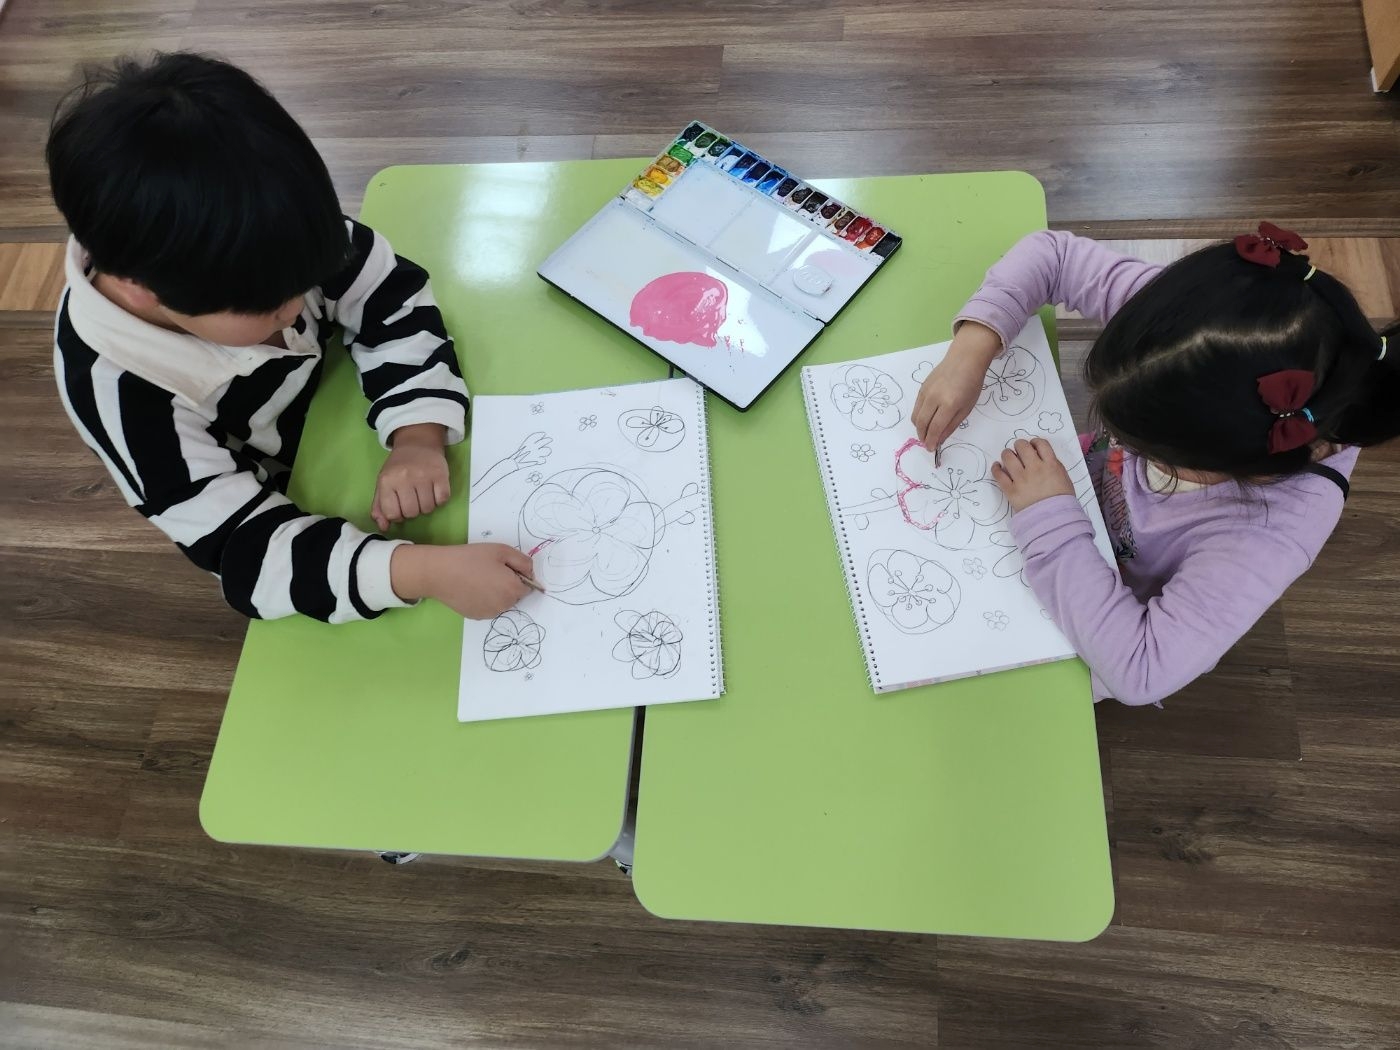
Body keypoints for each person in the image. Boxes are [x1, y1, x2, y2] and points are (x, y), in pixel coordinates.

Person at [47, 52, 534, 624]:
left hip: (346, 423)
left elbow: (387, 293)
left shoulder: (269, 231)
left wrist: (418, 434)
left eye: (305, 280)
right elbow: (247, 552)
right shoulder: (122, 396)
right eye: (267, 306)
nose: (297, 307)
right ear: (140, 291)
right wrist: (419, 571)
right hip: (304, 507)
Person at [912, 224, 1398, 706]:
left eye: (1150, 449)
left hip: (1090, 622)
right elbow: (1052, 255)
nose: (1125, 447)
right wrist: (972, 349)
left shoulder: (1273, 531)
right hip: (1051, 504)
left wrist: (1051, 518)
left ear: (1233, 462)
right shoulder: (1194, 336)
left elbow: (1142, 672)